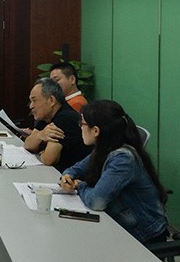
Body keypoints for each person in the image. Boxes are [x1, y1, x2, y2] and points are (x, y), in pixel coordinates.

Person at [60, 100, 169, 244]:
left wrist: (79, 185)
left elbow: (96, 201)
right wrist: (67, 176)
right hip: (120, 225)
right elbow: (77, 168)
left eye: (82, 123)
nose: (80, 127)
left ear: (96, 130)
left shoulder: (123, 159)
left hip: (143, 235)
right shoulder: (104, 147)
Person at [24, 78, 92, 172]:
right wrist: (40, 135)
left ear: (51, 100)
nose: (31, 106)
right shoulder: (46, 117)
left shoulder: (65, 118)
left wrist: (40, 151)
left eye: (34, 100)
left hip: (74, 176)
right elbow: (28, 144)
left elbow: (49, 159)